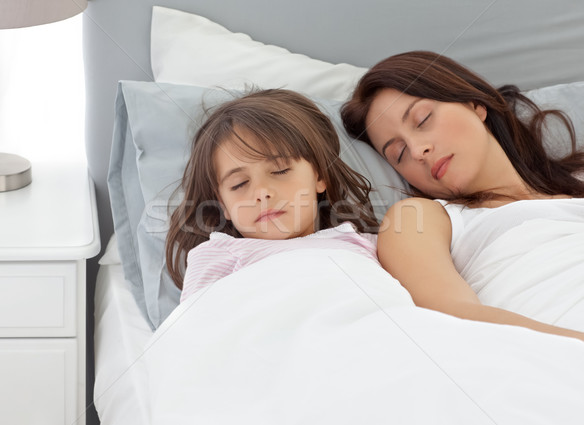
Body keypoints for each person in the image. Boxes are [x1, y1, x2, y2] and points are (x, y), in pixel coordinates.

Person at [341, 50, 584, 342]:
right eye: (399, 154)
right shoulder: (422, 218)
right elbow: (453, 315)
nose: (418, 151)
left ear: (475, 104)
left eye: (422, 119)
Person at [165, 89, 380, 301]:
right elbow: (196, 329)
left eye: (280, 171)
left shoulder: (369, 245)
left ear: (319, 175)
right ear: (224, 205)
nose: (261, 193)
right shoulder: (220, 256)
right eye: (239, 184)